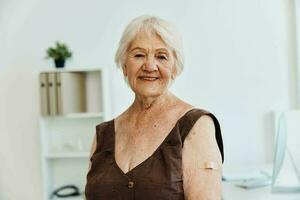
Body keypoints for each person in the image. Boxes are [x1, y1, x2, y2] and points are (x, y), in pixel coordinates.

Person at [85, 15, 224, 200]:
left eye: (161, 56)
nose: (150, 66)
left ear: (175, 67)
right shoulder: (103, 134)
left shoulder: (197, 127)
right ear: (125, 65)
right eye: (139, 55)